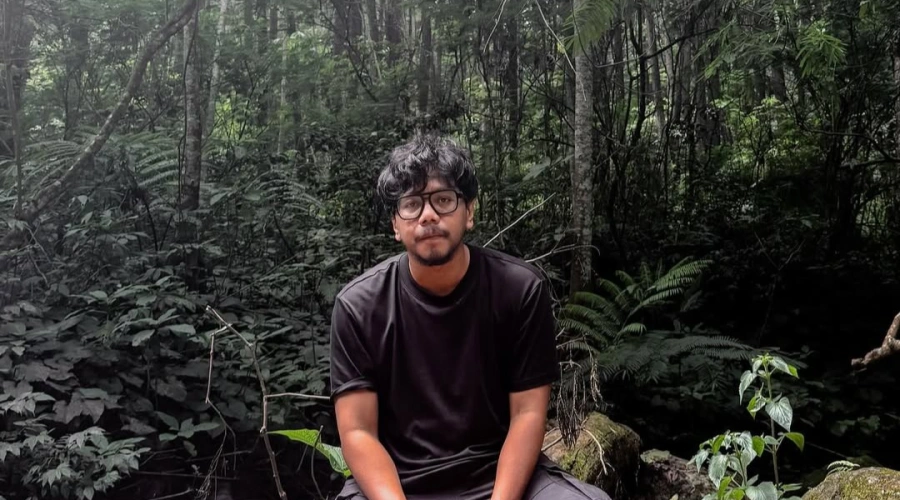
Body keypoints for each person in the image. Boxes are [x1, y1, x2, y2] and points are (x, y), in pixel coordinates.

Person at [329, 133, 612, 500]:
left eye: (443, 200)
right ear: (396, 225)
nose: (428, 215)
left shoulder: (519, 289)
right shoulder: (358, 306)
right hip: (398, 482)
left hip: (502, 477)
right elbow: (358, 432)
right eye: (411, 204)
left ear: (470, 212)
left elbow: (527, 414)